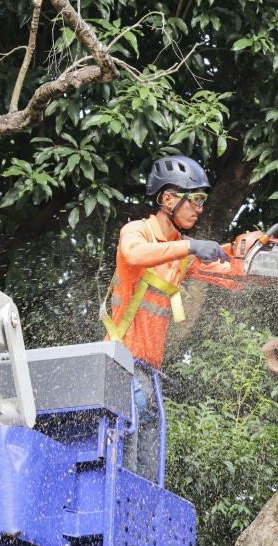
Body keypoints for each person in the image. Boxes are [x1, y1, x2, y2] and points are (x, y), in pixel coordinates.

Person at [100, 155, 242, 479]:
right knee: (125, 466)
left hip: (148, 374)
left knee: (148, 473)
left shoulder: (181, 252)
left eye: (202, 201)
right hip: (119, 365)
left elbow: (230, 274)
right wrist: (190, 247)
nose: (200, 208)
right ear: (167, 198)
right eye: (195, 199)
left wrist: (262, 258)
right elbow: (135, 254)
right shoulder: (137, 233)